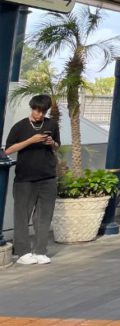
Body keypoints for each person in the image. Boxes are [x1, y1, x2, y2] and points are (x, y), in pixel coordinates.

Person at [4, 94, 61, 265]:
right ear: (32, 108)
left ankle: (40, 251)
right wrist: (30, 140)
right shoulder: (20, 126)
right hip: (25, 178)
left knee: (44, 215)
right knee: (22, 214)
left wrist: (51, 142)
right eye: (37, 110)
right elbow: (8, 150)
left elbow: (57, 145)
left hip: (48, 176)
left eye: (43, 111)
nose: (39, 114)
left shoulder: (51, 124)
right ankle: (22, 252)